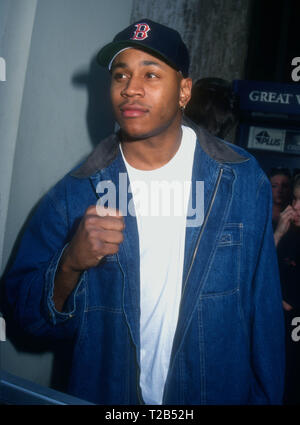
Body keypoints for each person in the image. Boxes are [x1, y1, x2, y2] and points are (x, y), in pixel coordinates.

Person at [4, 19, 285, 405]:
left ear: (185, 90)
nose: (131, 88)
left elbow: (264, 316)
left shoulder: (239, 179)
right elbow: (24, 317)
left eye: (151, 74)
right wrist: (69, 264)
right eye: (120, 75)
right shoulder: (76, 192)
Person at [273, 174, 300, 404]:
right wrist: (279, 234)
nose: (295, 207)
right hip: (284, 335)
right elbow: (259, 274)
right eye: (295, 199)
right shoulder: (289, 235)